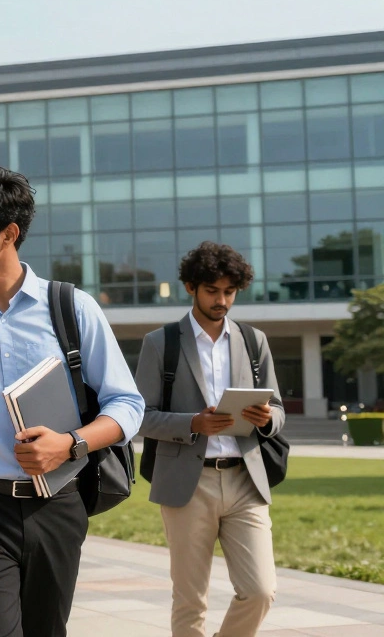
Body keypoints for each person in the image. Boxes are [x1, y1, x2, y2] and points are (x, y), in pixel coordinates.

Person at [0, 167, 145, 637]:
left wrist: (71, 443)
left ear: (9, 234)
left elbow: (127, 405)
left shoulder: (73, 308)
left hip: (58, 505)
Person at [135, 242, 284, 637]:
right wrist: (192, 424)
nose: (222, 301)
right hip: (187, 482)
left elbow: (280, 410)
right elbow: (138, 418)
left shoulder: (254, 342)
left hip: (245, 481)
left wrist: (267, 419)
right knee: (190, 598)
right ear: (190, 287)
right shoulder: (160, 344)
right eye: (212, 291)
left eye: (229, 292)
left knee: (261, 591)